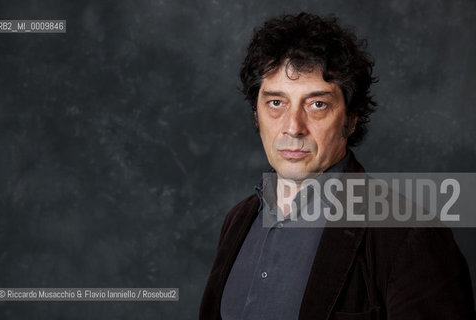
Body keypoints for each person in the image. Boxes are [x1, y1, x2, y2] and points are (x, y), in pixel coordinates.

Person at [199, 12, 475, 319]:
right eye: (276, 103)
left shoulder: (409, 237)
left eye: (317, 104)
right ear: (256, 114)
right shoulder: (238, 220)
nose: (293, 127)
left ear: (351, 118)